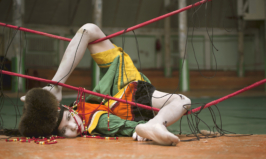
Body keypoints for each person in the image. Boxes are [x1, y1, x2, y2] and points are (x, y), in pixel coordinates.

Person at [19, 23, 191, 146]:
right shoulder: (95, 123)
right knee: (182, 100)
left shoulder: (79, 108)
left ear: (67, 108)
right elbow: (122, 126)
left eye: (69, 119)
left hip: (118, 83)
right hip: (132, 98)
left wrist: (43, 98)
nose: (73, 126)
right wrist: (139, 130)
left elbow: (90, 31)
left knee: (88, 29)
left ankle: (55, 85)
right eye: (65, 131)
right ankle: (156, 123)